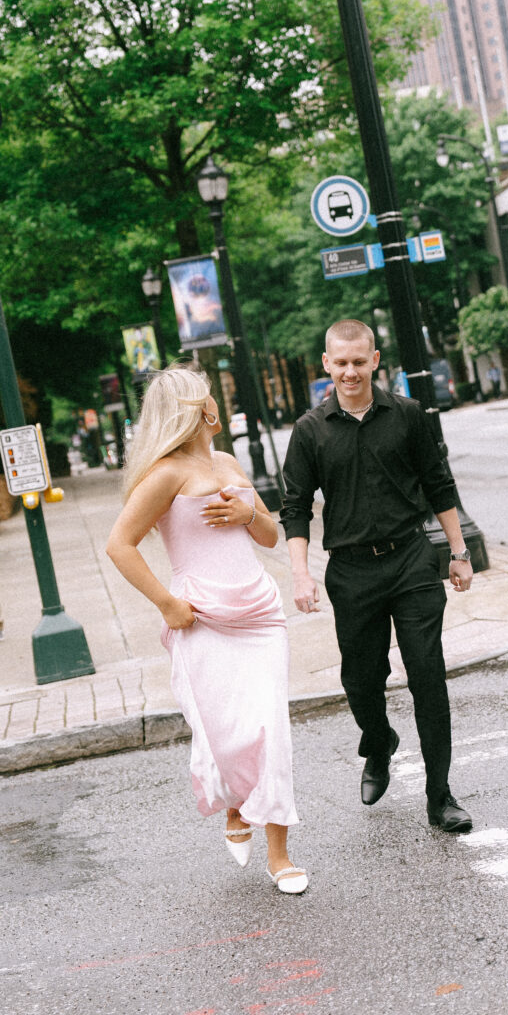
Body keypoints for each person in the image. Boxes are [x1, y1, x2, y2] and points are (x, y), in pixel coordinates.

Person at [106, 364, 307, 894]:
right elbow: (119, 545)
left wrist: (247, 513)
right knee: (225, 732)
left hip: (260, 615)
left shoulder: (227, 460)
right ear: (195, 409)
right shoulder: (166, 474)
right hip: (203, 619)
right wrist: (167, 603)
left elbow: (268, 534)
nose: (217, 402)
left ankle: (280, 854)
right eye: (209, 396)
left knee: (271, 731)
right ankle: (235, 807)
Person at [280, 319, 474, 833]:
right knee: (362, 681)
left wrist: (458, 551)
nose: (350, 372)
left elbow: (439, 484)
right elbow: (295, 507)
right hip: (351, 571)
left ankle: (440, 796)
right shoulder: (310, 431)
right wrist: (301, 574)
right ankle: (379, 741)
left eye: (359, 362)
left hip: (410, 559)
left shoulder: (407, 416)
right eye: (340, 363)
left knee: (428, 678)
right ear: (326, 364)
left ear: (375, 360)